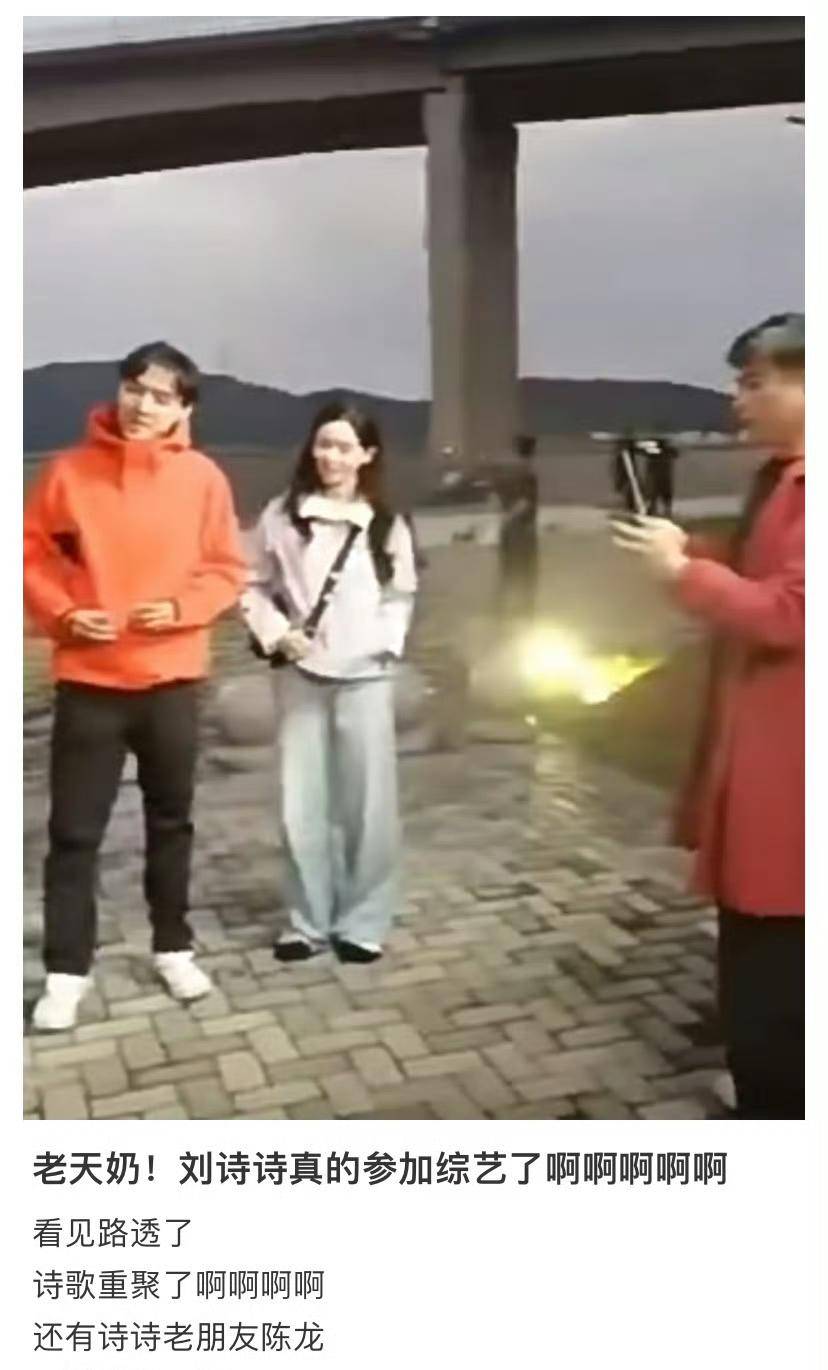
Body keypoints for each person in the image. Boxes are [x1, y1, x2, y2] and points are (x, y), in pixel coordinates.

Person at [612, 313, 805, 1119]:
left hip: (791, 775)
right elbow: (758, 572)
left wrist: (683, 575)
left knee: (774, 977)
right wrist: (684, 552)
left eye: (755, 383)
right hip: (764, 758)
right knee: (756, 962)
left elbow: (791, 612)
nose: (737, 400)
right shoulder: (781, 478)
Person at [24, 342, 247, 1031]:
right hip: (90, 682)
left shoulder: (203, 479)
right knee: (74, 832)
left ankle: (173, 947)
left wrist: (180, 609)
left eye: (161, 396)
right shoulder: (67, 474)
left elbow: (226, 569)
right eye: (134, 389)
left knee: (170, 822)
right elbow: (29, 557)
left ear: (184, 409)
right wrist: (65, 612)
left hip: (171, 681)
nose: (143, 405)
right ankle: (66, 970)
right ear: (118, 391)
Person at [242, 401, 418, 965]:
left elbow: (401, 594)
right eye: (324, 444)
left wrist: (383, 643)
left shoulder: (385, 521)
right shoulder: (282, 514)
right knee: (301, 801)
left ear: (367, 455)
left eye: (344, 447)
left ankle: (363, 921)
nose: (331, 457)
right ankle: (306, 921)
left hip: (366, 674)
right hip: (301, 673)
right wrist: (277, 634)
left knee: (368, 804)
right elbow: (250, 582)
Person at [494, 433, 539, 623]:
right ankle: (524, 612)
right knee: (526, 573)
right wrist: (510, 518)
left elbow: (496, 498)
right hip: (522, 530)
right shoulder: (526, 475)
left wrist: (504, 519)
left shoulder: (505, 474)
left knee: (509, 571)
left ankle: (505, 611)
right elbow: (525, 503)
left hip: (509, 529)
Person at [642, 436, 679, 517]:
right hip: (657, 471)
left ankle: (664, 510)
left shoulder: (666, 447)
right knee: (654, 491)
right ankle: (654, 509)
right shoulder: (654, 446)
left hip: (661, 471)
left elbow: (675, 453)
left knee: (663, 491)